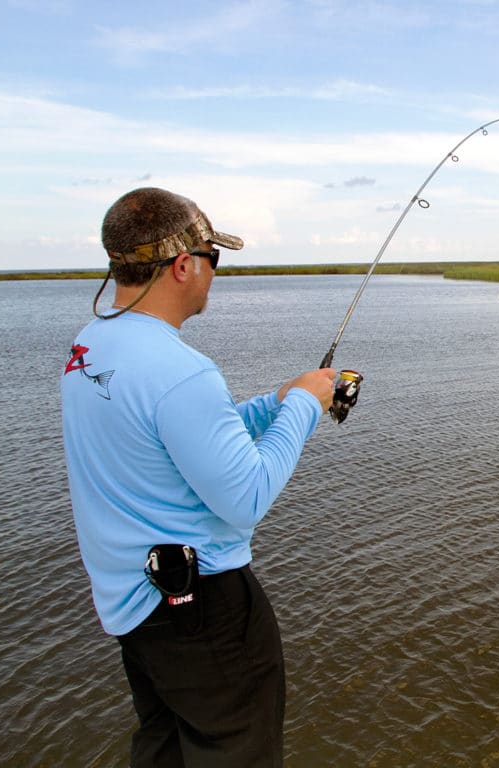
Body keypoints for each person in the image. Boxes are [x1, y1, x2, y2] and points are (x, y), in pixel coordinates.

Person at [60, 187, 337, 767]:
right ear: (184, 265)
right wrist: (307, 406)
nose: (215, 274)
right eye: (214, 258)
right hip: (202, 611)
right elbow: (246, 497)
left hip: (133, 607)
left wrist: (274, 402)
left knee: (163, 748)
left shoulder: (89, 347)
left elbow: (166, 446)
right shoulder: (181, 371)